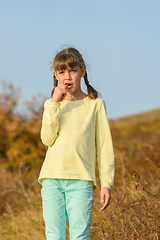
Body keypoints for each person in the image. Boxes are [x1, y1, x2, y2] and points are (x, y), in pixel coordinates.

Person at [39, 47, 115, 240]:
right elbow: (47, 139)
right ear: (56, 75)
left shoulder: (95, 104)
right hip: (51, 179)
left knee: (79, 236)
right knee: (53, 235)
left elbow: (104, 146)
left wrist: (106, 183)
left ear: (82, 71)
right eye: (62, 72)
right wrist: (54, 103)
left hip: (81, 180)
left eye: (72, 70)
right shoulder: (52, 105)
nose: (68, 77)